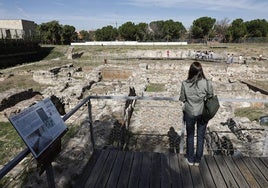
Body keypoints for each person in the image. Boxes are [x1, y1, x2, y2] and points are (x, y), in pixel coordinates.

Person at [179, 61, 214, 166]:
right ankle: (198, 160)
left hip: (189, 112)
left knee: (190, 136)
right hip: (202, 112)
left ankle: (190, 159)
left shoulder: (185, 83)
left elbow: (182, 98)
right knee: (200, 136)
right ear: (201, 71)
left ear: (190, 71)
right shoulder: (207, 83)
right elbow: (211, 96)